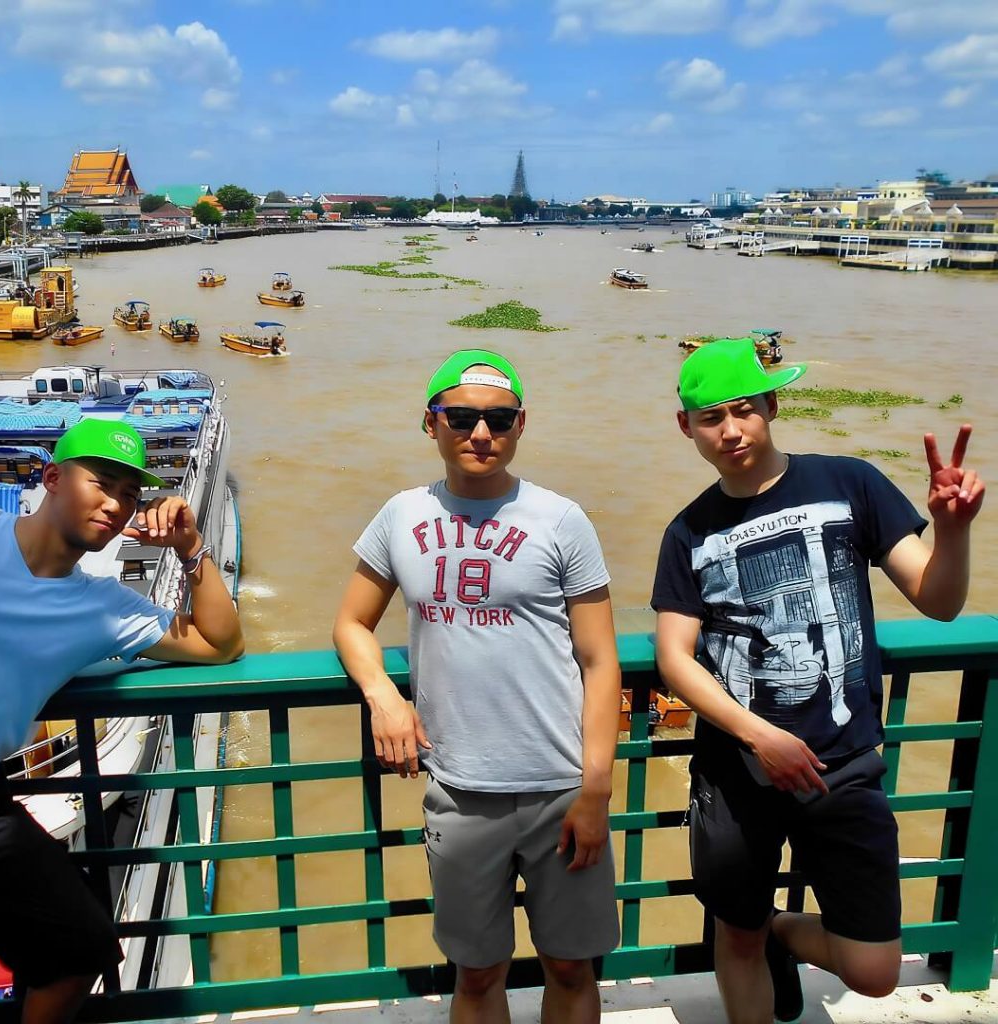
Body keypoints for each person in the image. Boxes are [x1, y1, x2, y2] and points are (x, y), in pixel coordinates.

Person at [651, 338, 984, 1024]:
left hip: (845, 764)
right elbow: (675, 657)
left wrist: (953, 533)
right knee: (733, 936)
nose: (731, 431)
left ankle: (779, 931)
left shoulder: (849, 482)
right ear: (686, 427)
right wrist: (756, 734)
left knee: (873, 971)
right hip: (738, 772)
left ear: (773, 405)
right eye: (711, 418)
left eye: (744, 410)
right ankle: (753, 935)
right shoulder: (688, 532)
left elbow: (938, 600)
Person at [333, 350, 621, 1023]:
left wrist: (597, 788)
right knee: (477, 973)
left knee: (572, 966)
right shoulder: (401, 515)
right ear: (429, 424)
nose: (481, 433)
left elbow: (600, 660)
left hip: (561, 786)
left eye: (499, 419)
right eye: (460, 417)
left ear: (521, 425)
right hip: (460, 792)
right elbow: (351, 622)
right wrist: (384, 694)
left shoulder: (561, 519)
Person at [0, 418, 244, 1024]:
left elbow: (221, 645)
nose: (117, 504)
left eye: (130, 493)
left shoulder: (102, 609)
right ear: (50, 478)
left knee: (85, 947)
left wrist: (191, 547)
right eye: (102, 483)